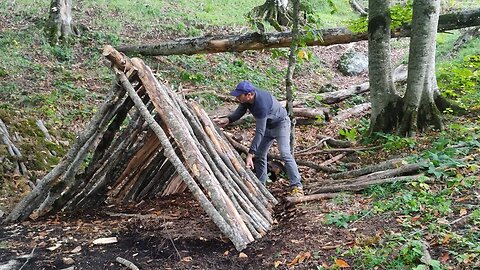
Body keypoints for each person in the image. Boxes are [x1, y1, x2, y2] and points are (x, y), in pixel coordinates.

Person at [215, 81, 304, 197]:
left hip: (280, 125)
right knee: (260, 154)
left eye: (239, 95)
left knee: (285, 154)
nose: (237, 97)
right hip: (268, 125)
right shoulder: (247, 99)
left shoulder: (260, 104)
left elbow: (259, 132)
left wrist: (250, 154)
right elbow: (240, 110)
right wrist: (228, 119)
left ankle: (296, 185)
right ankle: (261, 185)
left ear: (249, 95)